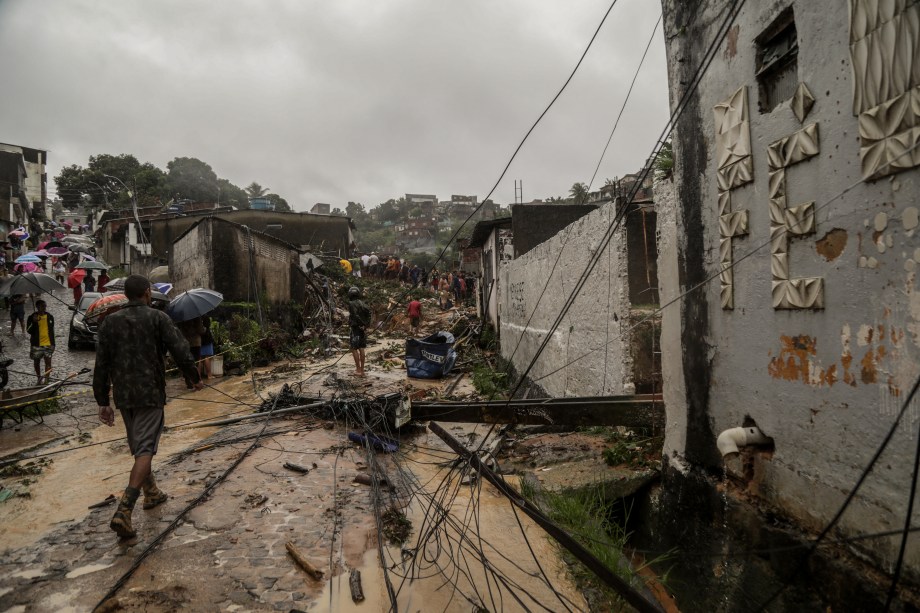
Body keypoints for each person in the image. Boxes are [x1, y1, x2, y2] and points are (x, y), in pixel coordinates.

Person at [94, 275, 202, 539]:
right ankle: (124, 510)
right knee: (145, 449)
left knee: (138, 445)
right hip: (150, 393)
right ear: (145, 293)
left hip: (124, 396)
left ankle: (151, 492)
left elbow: (102, 365)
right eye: (150, 291)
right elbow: (180, 349)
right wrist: (194, 377)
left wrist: (102, 402)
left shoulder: (110, 322)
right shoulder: (158, 318)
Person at [26, 300, 54, 384]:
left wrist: (53, 343)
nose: (44, 308)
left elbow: (51, 330)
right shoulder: (31, 317)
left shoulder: (50, 317)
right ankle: (38, 378)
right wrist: (34, 322)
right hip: (36, 345)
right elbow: (28, 330)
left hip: (48, 344)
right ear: (37, 307)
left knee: (48, 363)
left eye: (45, 306)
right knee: (36, 362)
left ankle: (46, 380)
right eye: (42, 306)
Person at [347, 286, 371, 377]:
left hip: (355, 328)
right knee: (361, 348)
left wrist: (360, 324)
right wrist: (366, 325)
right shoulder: (363, 304)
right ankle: (362, 370)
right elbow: (369, 314)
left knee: (353, 348)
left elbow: (355, 315)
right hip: (362, 328)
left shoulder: (351, 303)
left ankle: (358, 370)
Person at [179, 317, 205, 389]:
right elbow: (200, 330)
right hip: (195, 343)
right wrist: (204, 329)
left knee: (187, 361)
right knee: (195, 362)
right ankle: (195, 381)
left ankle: (188, 379)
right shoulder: (196, 317)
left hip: (184, 342)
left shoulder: (181, 317)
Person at [199, 315, 214, 380]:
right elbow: (208, 325)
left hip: (198, 340)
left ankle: (198, 377)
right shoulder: (205, 316)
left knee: (199, 359)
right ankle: (209, 375)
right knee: (207, 357)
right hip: (207, 339)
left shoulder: (195, 317)